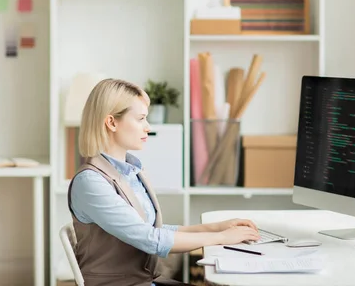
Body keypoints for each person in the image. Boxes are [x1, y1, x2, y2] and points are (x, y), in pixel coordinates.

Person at [69, 78, 260, 286]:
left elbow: (156, 230)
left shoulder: (132, 171)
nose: (147, 127)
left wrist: (216, 228)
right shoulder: (90, 182)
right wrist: (222, 238)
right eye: (141, 119)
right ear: (112, 123)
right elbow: (151, 239)